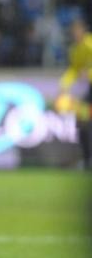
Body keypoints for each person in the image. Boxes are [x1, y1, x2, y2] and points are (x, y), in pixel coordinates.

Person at [54, 18, 92, 169]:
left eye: (77, 31)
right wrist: (64, 84)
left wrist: (89, 72)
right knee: (82, 121)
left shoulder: (90, 44)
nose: (75, 34)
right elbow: (74, 70)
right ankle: (88, 159)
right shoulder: (75, 50)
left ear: (83, 31)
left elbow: (84, 71)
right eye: (73, 32)